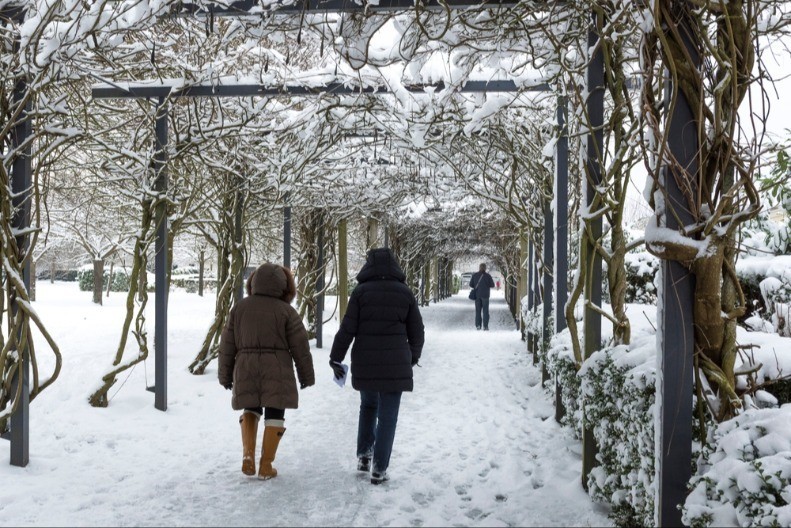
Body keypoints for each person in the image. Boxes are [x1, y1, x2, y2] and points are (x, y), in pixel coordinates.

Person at [329, 248, 425, 485]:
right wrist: (410, 357)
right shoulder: (405, 293)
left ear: (368, 266)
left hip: (366, 361)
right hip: (395, 365)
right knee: (388, 416)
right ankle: (379, 469)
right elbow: (417, 332)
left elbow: (347, 329)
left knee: (368, 406)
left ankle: (364, 456)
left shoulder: (361, 293)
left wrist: (336, 357)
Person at [218, 262, 314, 480]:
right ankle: (266, 465)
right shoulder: (287, 312)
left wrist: (225, 374)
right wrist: (306, 376)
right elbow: (301, 346)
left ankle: (248, 456)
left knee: (251, 408)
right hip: (277, 369)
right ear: (285, 287)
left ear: (253, 282)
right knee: (275, 412)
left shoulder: (239, 309)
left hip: (246, 367)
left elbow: (227, 345)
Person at [470, 263, 495, 331]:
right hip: (486, 296)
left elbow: (471, 285)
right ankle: (485, 326)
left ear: (479, 267)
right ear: (485, 268)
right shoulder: (488, 276)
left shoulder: (475, 275)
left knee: (478, 311)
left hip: (477, 295)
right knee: (485, 311)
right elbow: (492, 285)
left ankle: (478, 325)